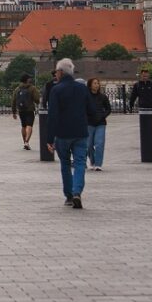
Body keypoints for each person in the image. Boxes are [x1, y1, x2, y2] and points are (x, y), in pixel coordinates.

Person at [46, 58, 96, 209]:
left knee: (65, 164)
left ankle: (68, 195)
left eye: (56, 72)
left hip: (62, 133)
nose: (56, 75)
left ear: (60, 72)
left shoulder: (56, 90)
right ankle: (77, 192)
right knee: (80, 162)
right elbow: (92, 110)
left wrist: (49, 138)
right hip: (80, 132)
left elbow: (53, 115)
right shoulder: (82, 89)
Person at [86, 78, 112, 171]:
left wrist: (103, 116)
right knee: (88, 145)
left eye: (98, 83)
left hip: (101, 123)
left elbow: (108, 109)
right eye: (94, 83)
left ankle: (98, 164)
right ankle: (92, 161)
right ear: (90, 85)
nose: (97, 85)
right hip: (89, 123)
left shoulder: (103, 97)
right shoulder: (86, 97)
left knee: (99, 143)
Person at [11, 74, 41, 150]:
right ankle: (27, 142)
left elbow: (13, 101)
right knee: (29, 125)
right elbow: (37, 99)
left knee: (23, 126)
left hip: (21, 110)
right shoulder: (32, 88)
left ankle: (24, 142)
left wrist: (14, 112)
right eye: (29, 78)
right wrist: (38, 103)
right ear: (27, 80)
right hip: (30, 109)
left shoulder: (17, 89)